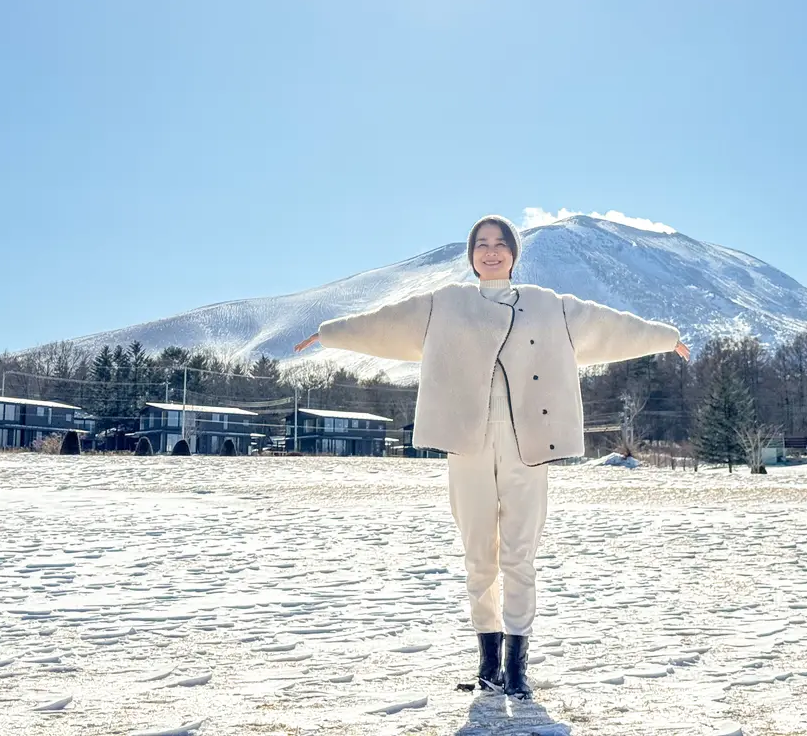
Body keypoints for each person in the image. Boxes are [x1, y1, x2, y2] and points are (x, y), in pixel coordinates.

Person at [294, 214, 689, 698]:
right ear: (471, 254)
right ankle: (489, 666)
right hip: (469, 444)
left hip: (530, 446)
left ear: (514, 253)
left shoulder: (549, 306)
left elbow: (608, 326)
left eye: (501, 243)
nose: (491, 251)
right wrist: (330, 332)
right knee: (479, 558)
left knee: (520, 556)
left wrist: (664, 336)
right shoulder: (445, 304)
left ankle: (518, 668)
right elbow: (386, 323)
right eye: (482, 243)